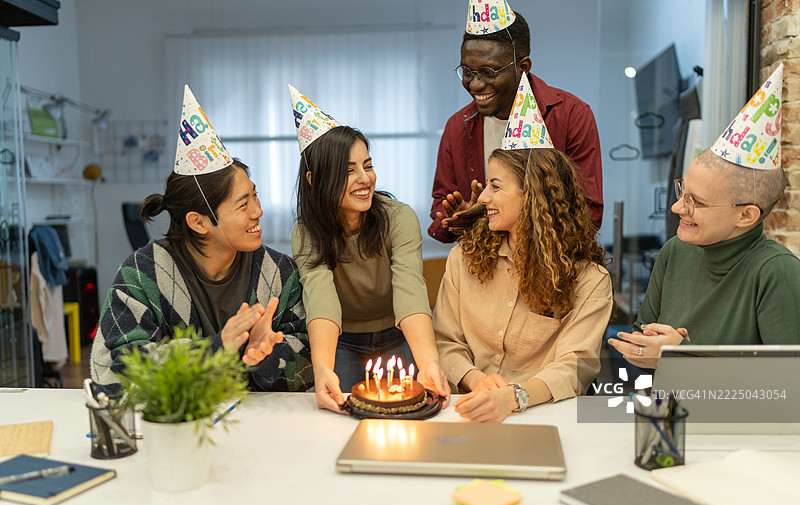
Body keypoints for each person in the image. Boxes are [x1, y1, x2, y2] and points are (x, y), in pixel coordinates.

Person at [91, 86, 312, 394]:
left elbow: (310, 363)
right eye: (243, 203)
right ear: (198, 222)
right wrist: (214, 350)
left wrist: (266, 355)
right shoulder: (144, 273)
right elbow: (114, 370)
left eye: (256, 195)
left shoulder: (279, 273)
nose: (258, 211)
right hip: (176, 430)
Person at [609, 64, 800, 369]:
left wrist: (682, 355)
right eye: (682, 191)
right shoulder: (675, 251)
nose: (677, 208)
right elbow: (643, 335)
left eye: (696, 202)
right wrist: (643, 347)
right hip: (668, 411)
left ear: (746, 215)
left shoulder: (777, 273)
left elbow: (786, 389)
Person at [434, 148, 613, 423]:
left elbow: (576, 366)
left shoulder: (590, 280)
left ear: (531, 196)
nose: (482, 198)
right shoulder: (463, 258)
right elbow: (446, 341)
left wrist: (514, 397)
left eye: (495, 186)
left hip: (543, 416)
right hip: (468, 409)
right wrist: (477, 381)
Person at [292, 121, 450, 413]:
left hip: (398, 334)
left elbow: (411, 292)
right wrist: (322, 368)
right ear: (314, 179)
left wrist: (429, 363)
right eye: (349, 170)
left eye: (368, 165)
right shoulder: (307, 232)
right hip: (343, 341)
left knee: (415, 411)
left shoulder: (398, 218)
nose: (365, 179)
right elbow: (320, 299)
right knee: (342, 417)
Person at [428, 5, 603, 243]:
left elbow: (588, 213)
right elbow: (440, 212)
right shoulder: (458, 127)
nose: (475, 85)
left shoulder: (571, 116)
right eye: (467, 71)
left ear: (523, 67)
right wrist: (458, 216)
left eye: (488, 72)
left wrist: (496, 216)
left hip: (553, 269)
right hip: (483, 269)